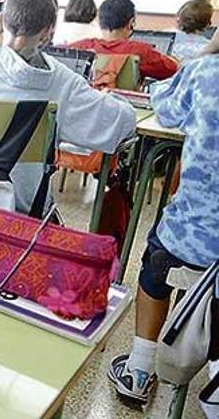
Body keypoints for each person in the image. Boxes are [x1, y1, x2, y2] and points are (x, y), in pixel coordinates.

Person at [0, 0, 136, 213]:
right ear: (48, 31)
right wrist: (113, 98)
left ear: (1, 20)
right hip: (18, 210)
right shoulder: (61, 82)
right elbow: (122, 124)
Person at [107, 55, 219, 411]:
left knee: (158, 258)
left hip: (193, 239)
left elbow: (167, 110)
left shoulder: (207, 72)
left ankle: (139, 368)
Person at [70, 0, 178, 80]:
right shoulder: (140, 51)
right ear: (131, 23)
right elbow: (174, 70)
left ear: (99, 20)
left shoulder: (80, 47)